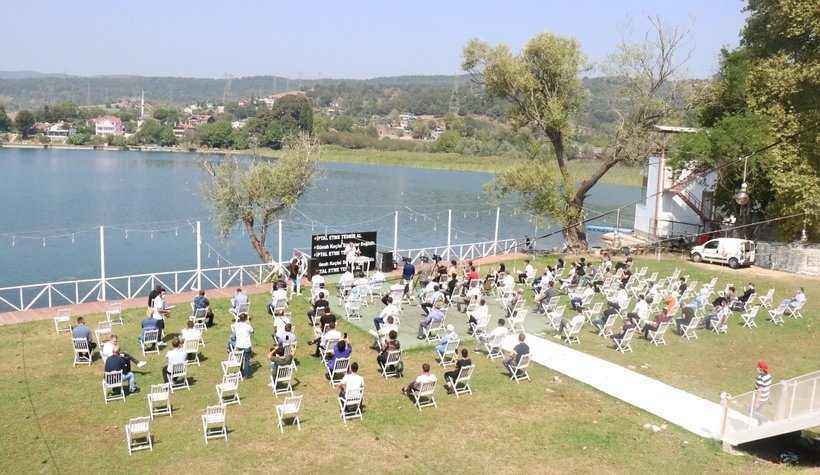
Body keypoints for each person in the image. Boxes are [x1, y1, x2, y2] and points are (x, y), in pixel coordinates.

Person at [233, 313, 254, 378]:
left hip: (239, 345)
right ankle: (247, 375)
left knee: (240, 360)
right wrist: (248, 322)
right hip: (246, 345)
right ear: (245, 319)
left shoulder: (236, 325)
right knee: (247, 360)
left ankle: (241, 372)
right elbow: (252, 331)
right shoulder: (247, 326)